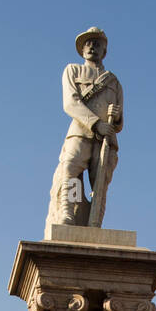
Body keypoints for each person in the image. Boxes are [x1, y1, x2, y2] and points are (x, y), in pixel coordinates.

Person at [45, 27, 123, 228]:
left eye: (96, 44)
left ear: (104, 50)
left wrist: (115, 118)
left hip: (106, 139)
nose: (91, 47)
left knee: (100, 182)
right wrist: (96, 124)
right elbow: (70, 103)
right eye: (88, 43)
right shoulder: (73, 70)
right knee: (70, 168)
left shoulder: (114, 81)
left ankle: (95, 221)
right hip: (81, 131)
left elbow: (120, 120)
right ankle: (67, 213)